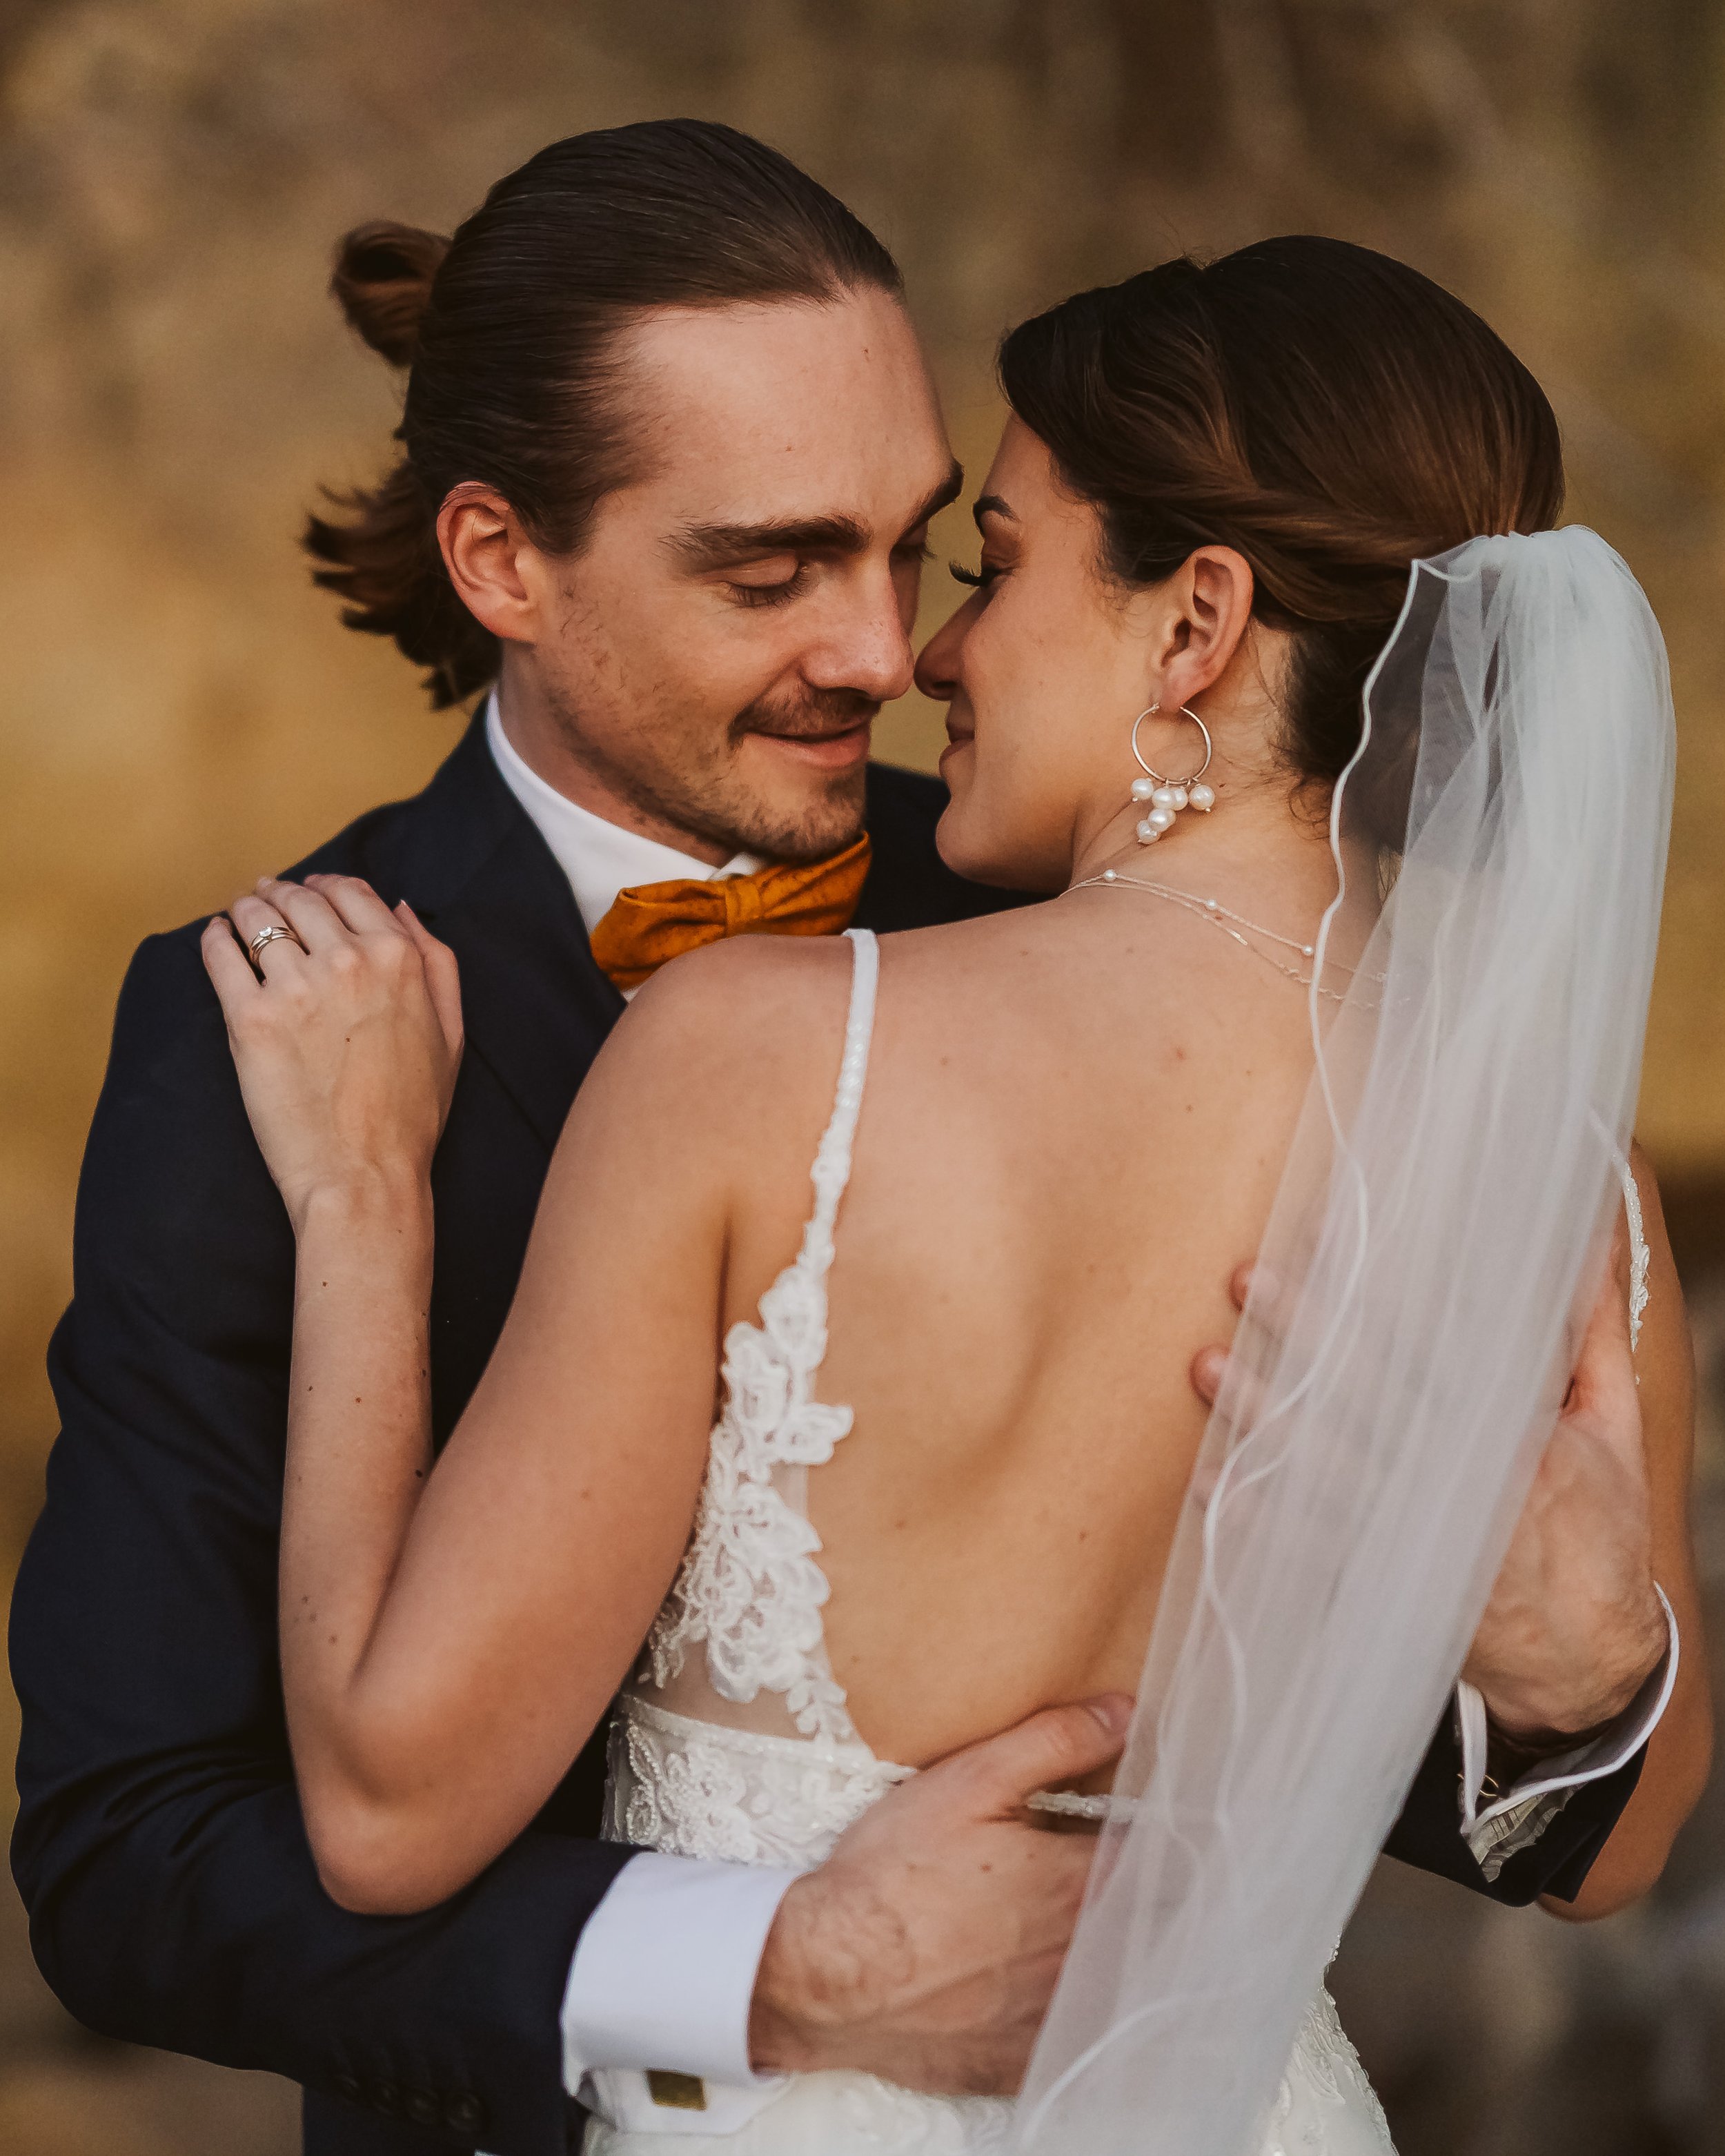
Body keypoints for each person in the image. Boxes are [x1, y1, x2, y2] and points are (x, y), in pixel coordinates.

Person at [6, 121, 1690, 2156]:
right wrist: (768, 1968)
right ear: (499, 562)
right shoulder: (261, 1024)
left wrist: (1600, 1676)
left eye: (927, 546)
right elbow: (131, 1860)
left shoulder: (1008, 887)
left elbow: (1416, 1743)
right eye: (772, 567)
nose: (892, 656)